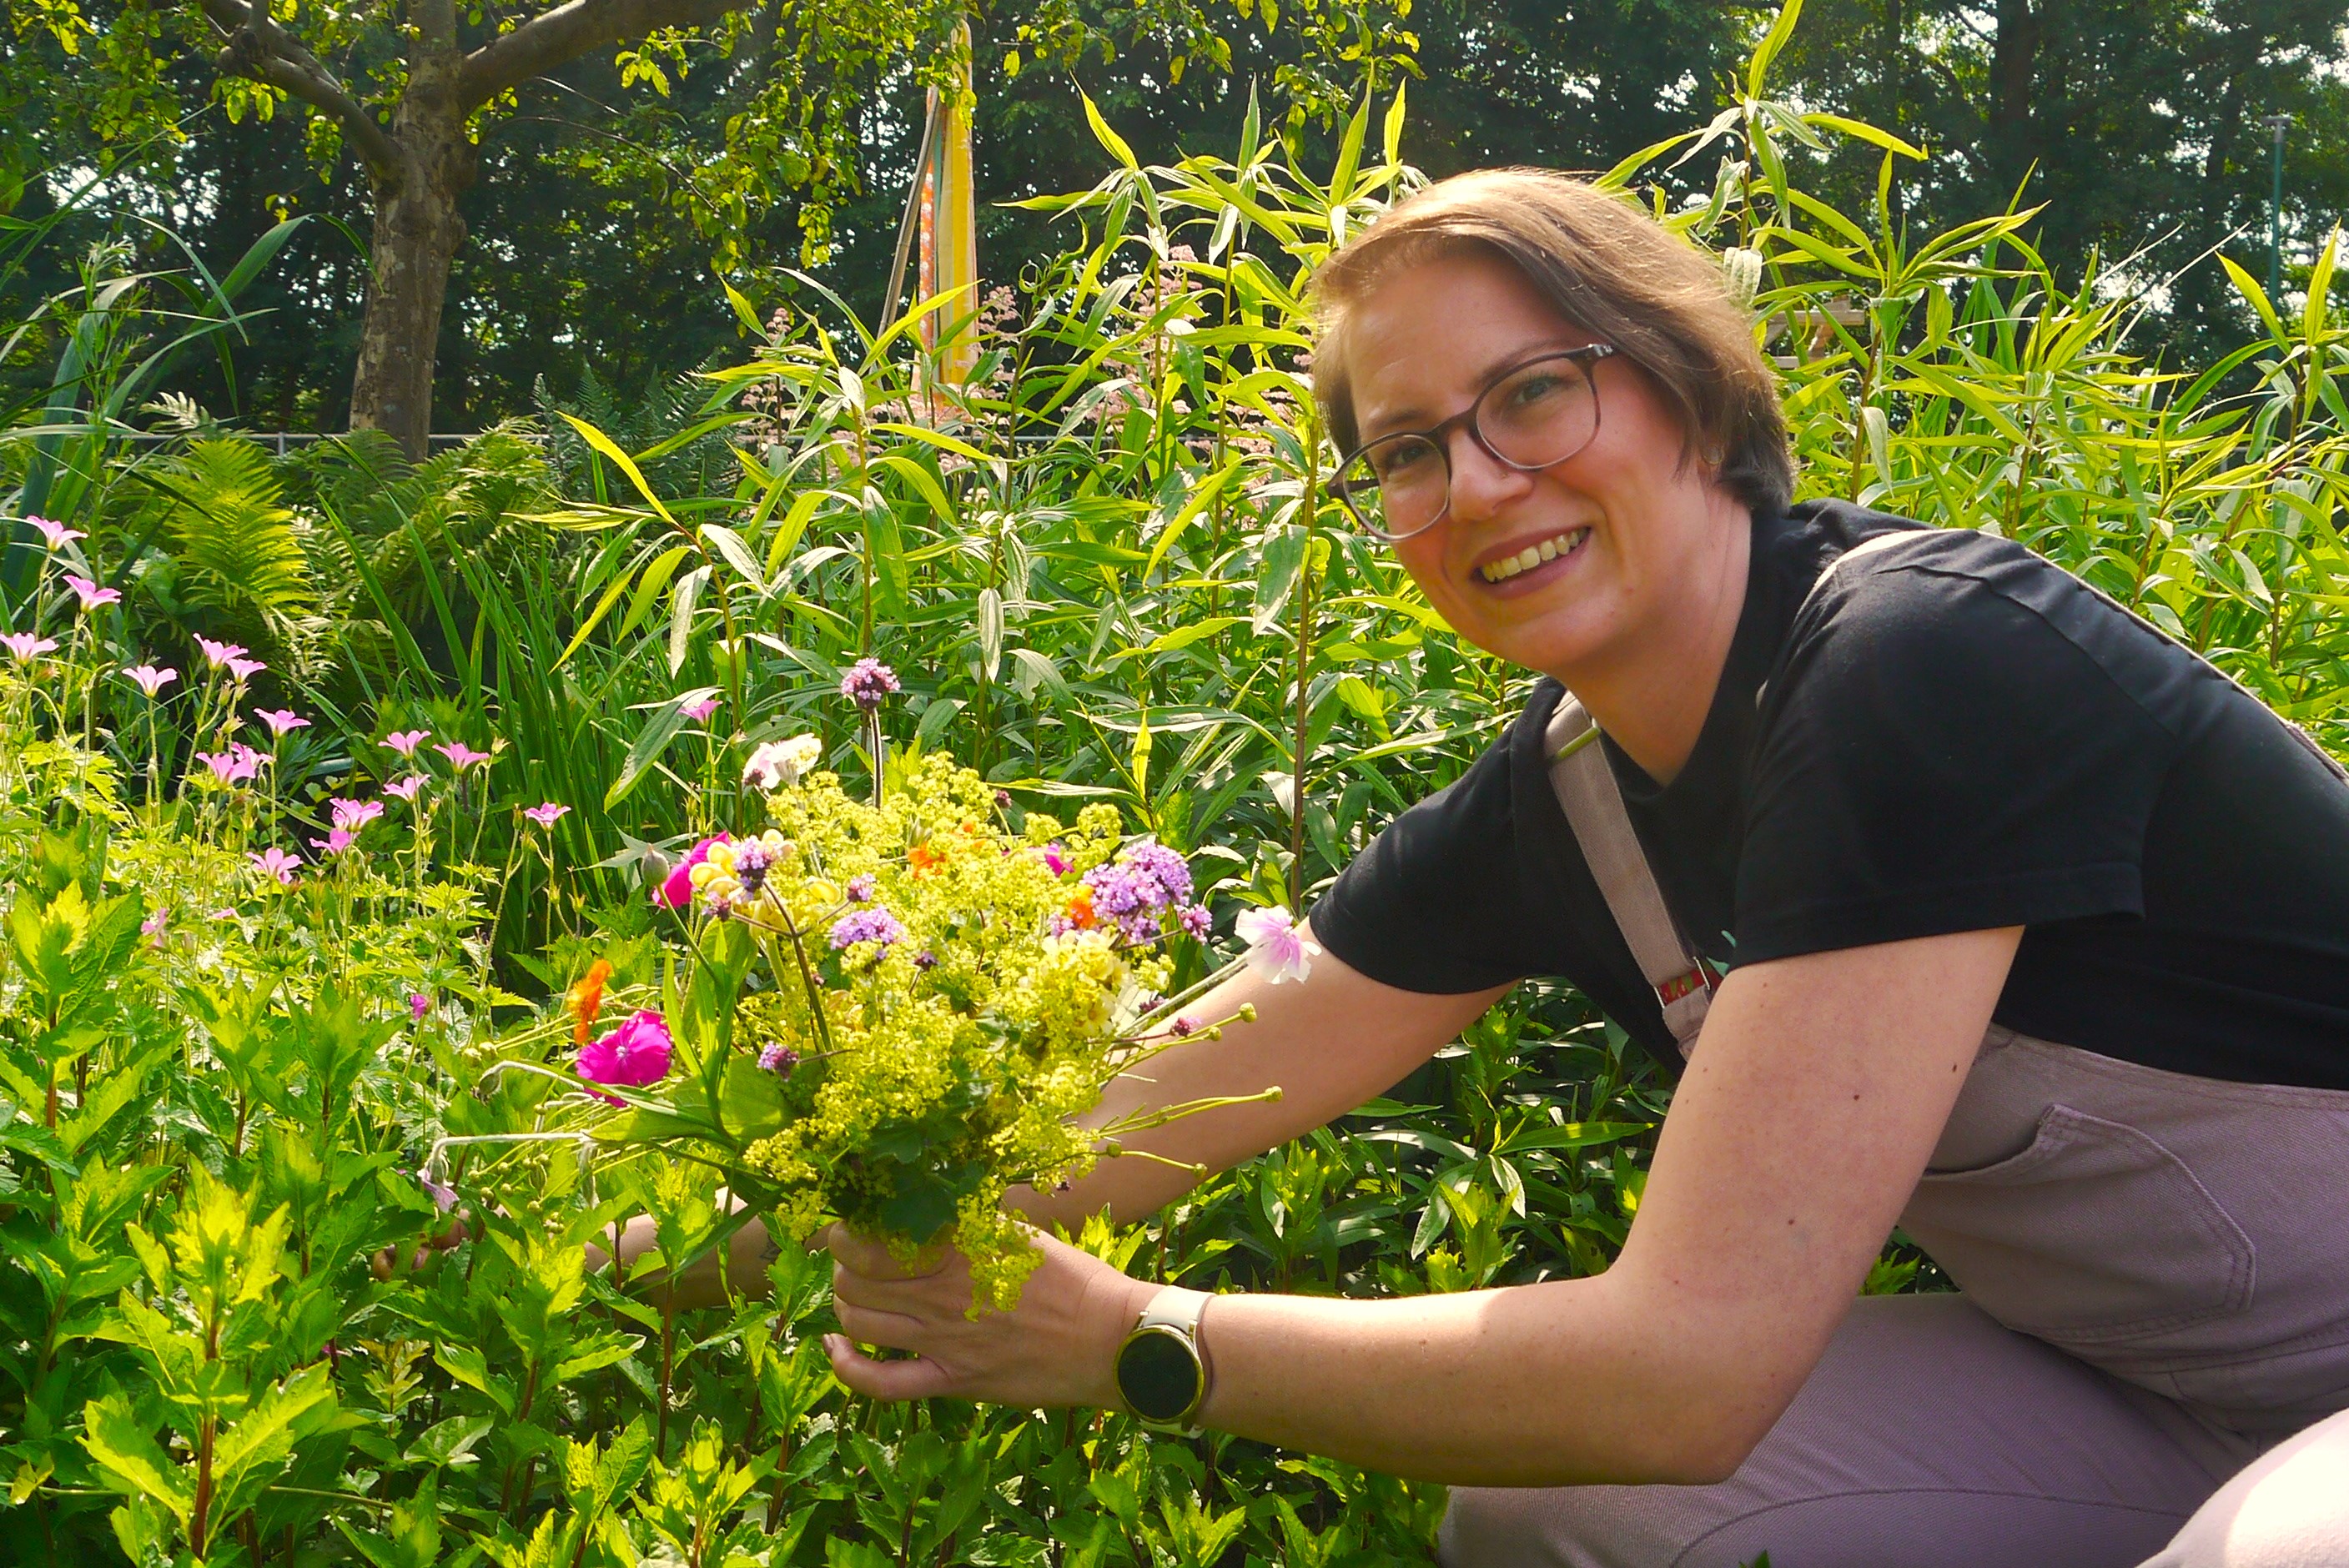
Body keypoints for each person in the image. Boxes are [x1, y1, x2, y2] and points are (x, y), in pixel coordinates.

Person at [758, 171, 2349, 1565]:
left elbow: (1689, 1371)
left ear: (1695, 395)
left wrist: (1147, 1343)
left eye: (1530, 395)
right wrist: (645, 1225)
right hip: (2151, 1394)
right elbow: (1134, 1114)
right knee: (1555, 1512)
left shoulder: (1916, 662)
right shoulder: (1566, 805)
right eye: (1406, 452)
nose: (1475, 487)